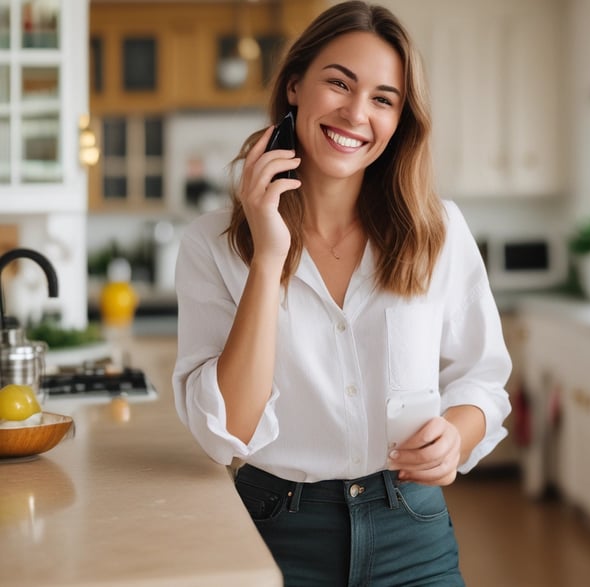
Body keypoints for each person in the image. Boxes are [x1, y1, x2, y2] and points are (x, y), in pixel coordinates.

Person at [172, 2, 512, 585]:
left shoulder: (439, 230)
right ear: (296, 86)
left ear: (400, 119)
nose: (357, 113)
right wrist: (269, 254)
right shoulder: (213, 244)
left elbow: (482, 377)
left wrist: (457, 433)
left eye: (383, 98)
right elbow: (227, 430)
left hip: (413, 531)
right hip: (276, 529)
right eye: (339, 83)